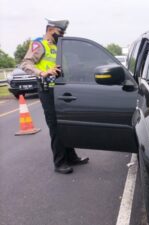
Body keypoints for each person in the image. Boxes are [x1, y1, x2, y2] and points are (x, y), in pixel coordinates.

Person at [20, 19, 88, 174]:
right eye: (60, 32)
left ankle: (71, 157)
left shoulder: (58, 46)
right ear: (50, 29)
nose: (62, 35)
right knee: (56, 126)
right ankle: (59, 162)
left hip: (61, 89)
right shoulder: (39, 44)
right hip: (48, 90)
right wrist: (42, 72)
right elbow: (26, 64)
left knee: (66, 123)